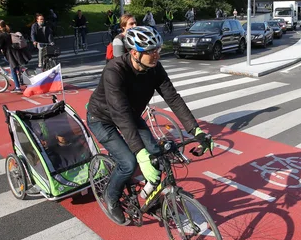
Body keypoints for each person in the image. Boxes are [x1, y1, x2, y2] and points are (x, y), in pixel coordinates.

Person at [86, 26, 213, 223]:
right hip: (102, 119)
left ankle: (150, 198)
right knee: (129, 163)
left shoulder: (154, 69)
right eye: (150, 51)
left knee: (156, 155)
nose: (155, 55)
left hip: (130, 115)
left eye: (157, 50)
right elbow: (119, 113)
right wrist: (139, 152)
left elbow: (173, 99)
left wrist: (195, 130)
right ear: (135, 52)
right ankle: (111, 198)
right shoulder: (115, 70)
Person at [0, 20, 32, 94]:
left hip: (11, 54)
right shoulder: (9, 31)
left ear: (0, 27)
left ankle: (17, 87)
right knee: (10, 63)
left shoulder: (2, 35)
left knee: (12, 70)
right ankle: (20, 69)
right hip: (16, 52)